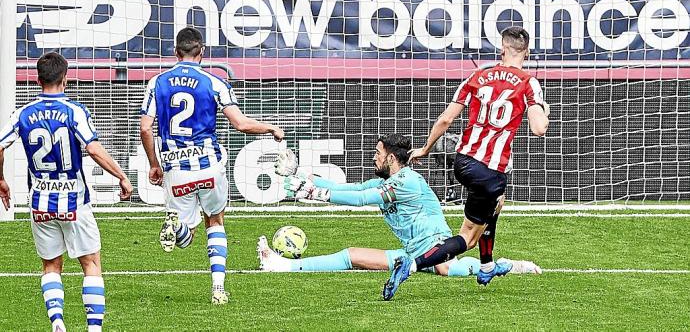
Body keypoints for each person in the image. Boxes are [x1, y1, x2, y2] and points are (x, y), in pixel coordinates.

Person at [382, 26, 550, 300]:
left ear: (502, 48)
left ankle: (487, 265)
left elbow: (446, 120)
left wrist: (425, 149)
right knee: (467, 238)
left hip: (462, 162)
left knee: (496, 201)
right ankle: (412, 265)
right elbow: (539, 128)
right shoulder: (528, 82)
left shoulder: (478, 75)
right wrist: (544, 109)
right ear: (527, 52)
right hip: (489, 169)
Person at [140, 27, 284, 305]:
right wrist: (270, 128)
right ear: (202, 52)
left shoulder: (157, 82)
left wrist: (154, 164)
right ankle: (218, 288)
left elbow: (146, 129)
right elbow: (240, 123)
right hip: (209, 166)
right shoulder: (214, 82)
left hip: (175, 169)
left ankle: (177, 227)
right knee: (214, 220)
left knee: (186, 238)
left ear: (175, 52)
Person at [258, 137, 541, 277]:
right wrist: (302, 174)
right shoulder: (389, 179)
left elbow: (359, 200)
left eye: (377, 154)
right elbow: (352, 189)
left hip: (436, 247)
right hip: (411, 252)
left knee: (445, 269)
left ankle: (509, 266)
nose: (373, 158)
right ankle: (285, 265)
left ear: (392, 158)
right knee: (351, 256)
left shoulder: (406, 181)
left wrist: (313, 192)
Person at [0, 52, 133, 332]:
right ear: (65, 79)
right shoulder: (74, 111)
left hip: (40, 203)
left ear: (37, 80)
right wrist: (121, 176)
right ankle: (94, 328)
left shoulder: (23, 112)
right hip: (75, 201)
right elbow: (93, 148)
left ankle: (57, 322)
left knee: (51, 265)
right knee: (91, 263)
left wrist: (1, 179)